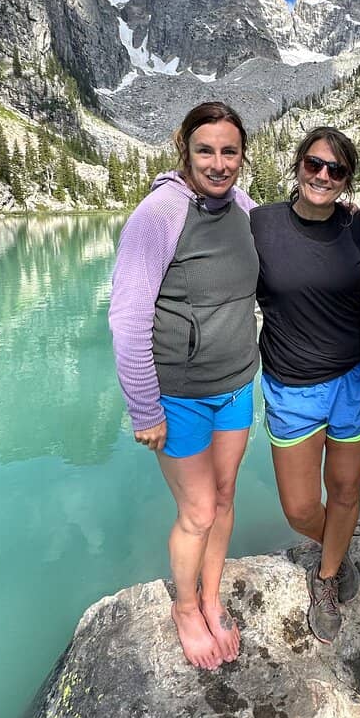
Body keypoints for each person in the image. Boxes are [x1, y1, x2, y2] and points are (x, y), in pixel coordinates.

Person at [109, 101, 259, 671]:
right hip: (178, 394)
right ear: (185, 150)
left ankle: (213, 595)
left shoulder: (243, 208)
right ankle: (185, 607)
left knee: (224, 498)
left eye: (229, 151)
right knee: (196, 509)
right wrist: (144, 408)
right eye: (206, 151)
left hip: (237, 385)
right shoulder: (160, 212)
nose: (219, 164)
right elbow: (126, 318)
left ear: (242, 155)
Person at [250, 127, 360, 643]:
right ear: (298, 164)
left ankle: (327, 576)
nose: (323, 175)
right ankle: (336, 550)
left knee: (345, 492)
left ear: (347, 180)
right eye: (315, 164)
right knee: (301, 507)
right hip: (291, 386)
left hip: (355, 379)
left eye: (337, 169)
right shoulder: (260, 225)